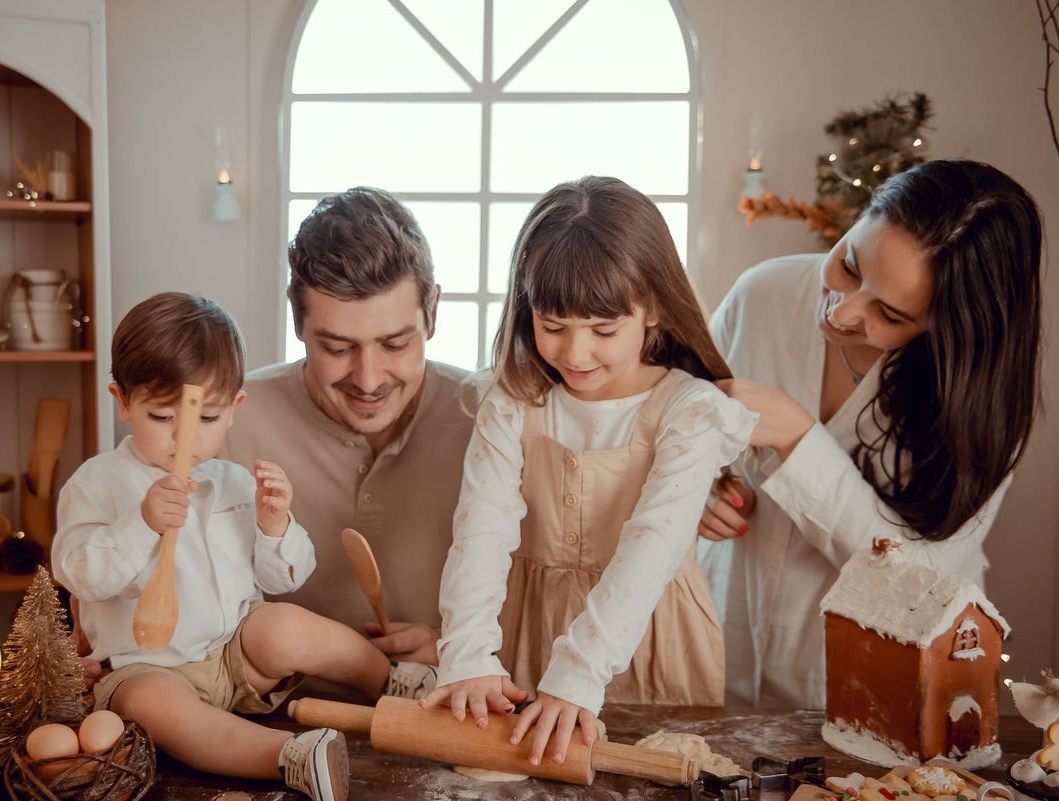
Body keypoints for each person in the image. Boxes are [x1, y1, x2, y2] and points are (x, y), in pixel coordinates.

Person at [421, 176, 758, 766]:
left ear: (652, 306)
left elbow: (654, 542)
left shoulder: (691, 411)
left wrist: (578, 671)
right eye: (552, 327)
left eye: (604, 330)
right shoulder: (512, 400)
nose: (576, 355)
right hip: (526, 630)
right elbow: (482, 529)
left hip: (658, 638)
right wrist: (469, 651)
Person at [52, 292, 439, 800]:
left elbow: (284, 579)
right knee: (151, 706)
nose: (182, 441)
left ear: (233, 410)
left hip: (237, 656)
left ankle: (390, 683)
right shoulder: (97, 484)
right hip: (147, 667)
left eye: (205, 420)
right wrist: (141, 524)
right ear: (123, 401)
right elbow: (76, 573)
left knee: (284, 625)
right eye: (162, 418)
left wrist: (275, 526)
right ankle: (288, 757)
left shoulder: (235, 483)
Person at [699, 159, 1043, 709]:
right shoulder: (762, 293)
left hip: (874, 686)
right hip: (721, 643)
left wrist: (796, 439)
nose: (843, 310)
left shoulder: (983, 402)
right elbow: (678, 428)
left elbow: (924, 579)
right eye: (850, 265)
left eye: (888, 313)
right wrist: (701, 489)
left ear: (949, 324)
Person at [219, 187, 474, 665]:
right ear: (297, 321)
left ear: (433, 313)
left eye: (395, 344)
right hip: (273, 718)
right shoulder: (227, 420)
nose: (369, 379)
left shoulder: (489, 419)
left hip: (452, 711)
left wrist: (471, 649)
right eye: (338, 348)